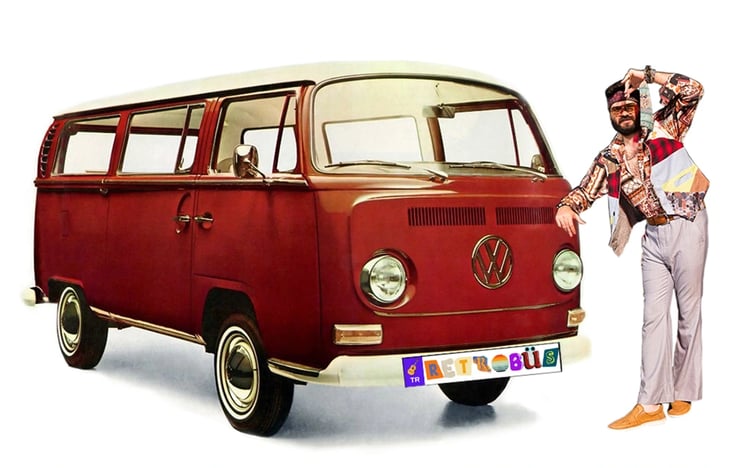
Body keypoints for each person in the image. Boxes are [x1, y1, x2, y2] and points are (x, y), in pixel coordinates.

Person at [555, 66, 709, 430]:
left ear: (639, 107)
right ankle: (650, 403)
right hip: (653, 236)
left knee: (688, 313)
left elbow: (694, 89)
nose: (623, 114)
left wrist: (647, 75)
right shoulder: (609, 156)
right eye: (616, 109)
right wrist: (567, 206)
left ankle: (684, 390)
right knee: (652, 319)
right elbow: (586, 189)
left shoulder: (665, 127)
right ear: (609, 114)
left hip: (687, 224)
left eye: (628, 107)